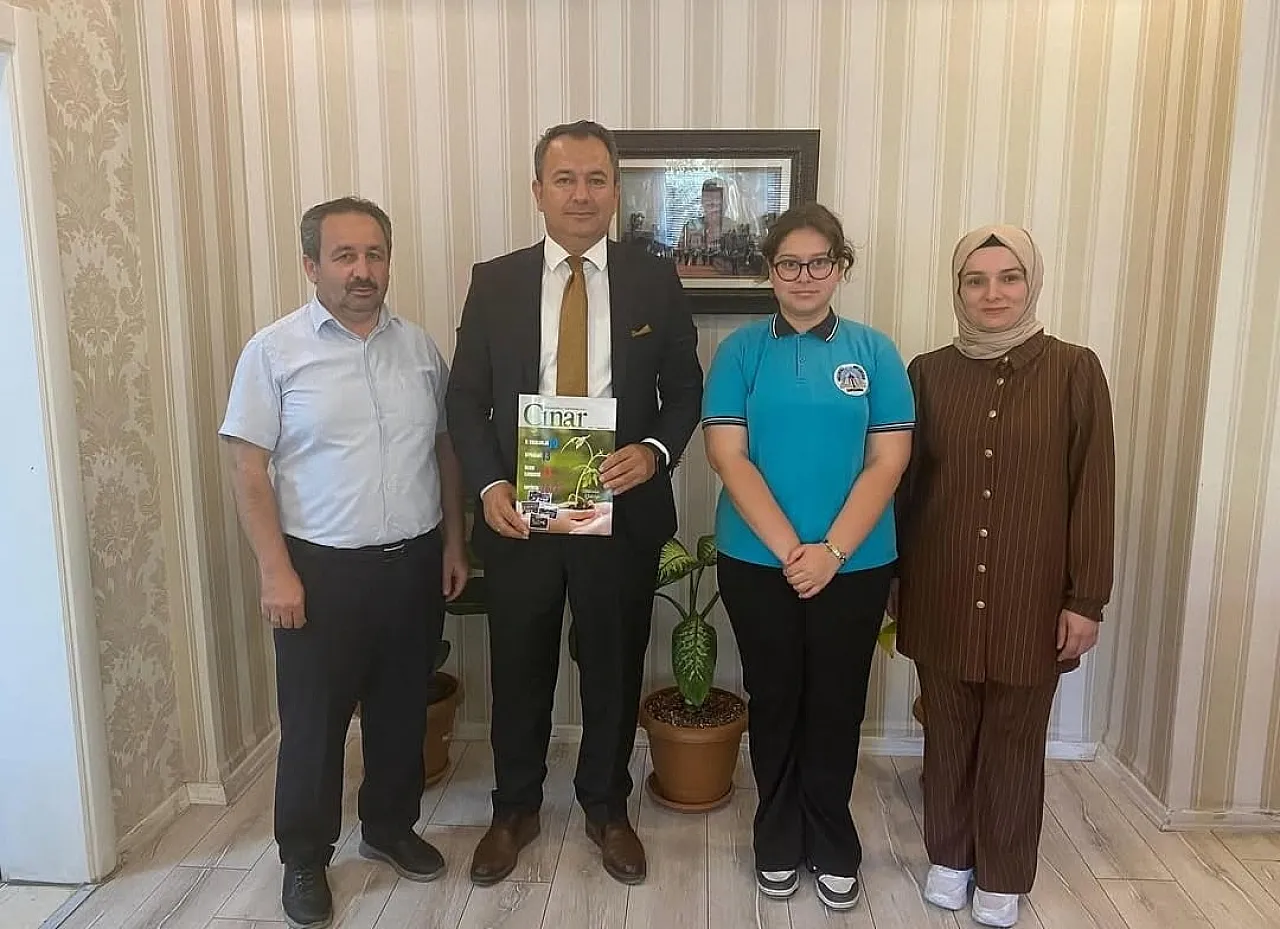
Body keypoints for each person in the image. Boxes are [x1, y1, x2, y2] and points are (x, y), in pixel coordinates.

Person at [445, 120, 703, 887]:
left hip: (620, 510)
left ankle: (607, 806)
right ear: (538, 191)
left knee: (613, 668)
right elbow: (464, 400)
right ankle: (514, 808)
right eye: (565, 179)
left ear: (616, 191)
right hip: (520, 513)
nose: (581, 194)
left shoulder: (654, 278)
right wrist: (488, 484)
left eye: (596, 179)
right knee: (519, 666)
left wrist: (653, 451)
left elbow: (685, 391)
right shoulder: (495, 281)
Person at [219, 197, 470, 929]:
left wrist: (454, 543)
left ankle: (389, 827)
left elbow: (445, 448)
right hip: (318, 570)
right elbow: (248, 468)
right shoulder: (274, 352)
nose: (363, 270)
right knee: (314, 723)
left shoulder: (419, 348)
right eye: (344, 255)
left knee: (401, 708)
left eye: (375, 254)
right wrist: (275, 570)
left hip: (413, 562)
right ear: (311, 265)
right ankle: (305, 856)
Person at [895, 225, 1115, 928]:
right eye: (976, 280)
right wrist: (894, 583)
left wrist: (1086, 600)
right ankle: (949, 856)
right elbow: (903, 488)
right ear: (958, 289)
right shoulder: (927, 374)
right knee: (948, 726)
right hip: (941, 585)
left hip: (1032, 593)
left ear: (1032, 283)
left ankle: (1003, 871)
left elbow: (1092, 489)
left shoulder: (1074, 370)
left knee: (1016, 735)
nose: (993, 293)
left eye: (1009, 277)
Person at [702, 202, 915, 911]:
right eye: (788, 263)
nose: (803, 275)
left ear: (840, 268)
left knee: (836, 702)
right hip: (756, 561)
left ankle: (831, 839)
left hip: (855, 565)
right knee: (775, 698)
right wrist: (793, 550)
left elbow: (888, 461)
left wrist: (832, 551)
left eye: (818, 261)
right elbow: (728, 456)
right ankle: (776, 836)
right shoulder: (739, 353)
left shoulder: (875, 352)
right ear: (769, 271)